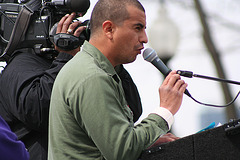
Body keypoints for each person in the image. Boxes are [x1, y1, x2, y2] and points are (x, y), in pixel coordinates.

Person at [48, 0, 188, 159]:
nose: (144, 38)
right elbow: (122, 152)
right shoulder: (92, 77)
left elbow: (117, 144)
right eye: (137, 28)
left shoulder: (93, 70)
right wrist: (165, 111)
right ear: (109, 29)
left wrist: (145, 141)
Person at [0, 12, 143, 160]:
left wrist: (110, 60)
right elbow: (39, 113)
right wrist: (66, 56)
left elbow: (131, 112)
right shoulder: (19, 66)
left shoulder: (88, 68)